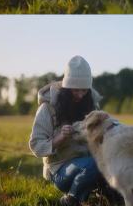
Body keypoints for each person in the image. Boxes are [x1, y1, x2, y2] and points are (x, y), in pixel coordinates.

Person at [29, 56, 116, 206]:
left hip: (88, 162)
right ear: (66, 87)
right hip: (60, 169)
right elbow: (36, 145)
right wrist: (60, 137)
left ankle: (111, 196)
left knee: (110, 159)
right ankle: (70, 200)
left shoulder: (91, 105)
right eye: (76, 89)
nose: (80, 94)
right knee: (93, 165)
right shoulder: (47, 108)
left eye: (84, 90)